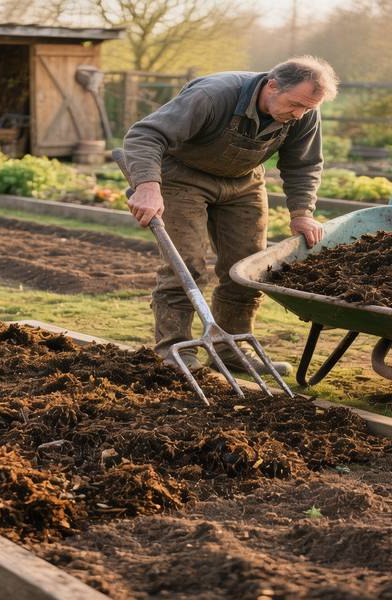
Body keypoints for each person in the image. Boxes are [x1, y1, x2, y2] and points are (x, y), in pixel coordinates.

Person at [121, 56, 339, 374]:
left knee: (247, 268)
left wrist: (302, 212)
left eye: (307, 108)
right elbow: (145, 135)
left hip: (243, 182)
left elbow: (303, 164)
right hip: (183, 177)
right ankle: (173, 353)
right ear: (273, 85)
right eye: (295, 105)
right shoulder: (214, 95)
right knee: (186, 265)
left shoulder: (304, 112)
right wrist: (148, 186)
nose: (299, 114)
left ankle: (231, 351)